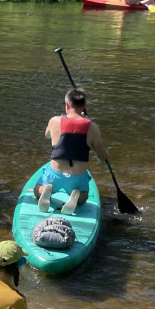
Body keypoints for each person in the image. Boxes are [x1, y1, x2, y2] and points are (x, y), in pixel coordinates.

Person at [36, 87, 111, 215]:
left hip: (56, 174)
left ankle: (44, 191)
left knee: (36, 189)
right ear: (83, 106)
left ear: (67, 105)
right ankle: (77, 196)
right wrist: (104, 155)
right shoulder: (93, 127)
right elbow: (102, 155)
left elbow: (47, 135)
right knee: (84, 196)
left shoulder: (55, 121)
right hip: (78, 176)